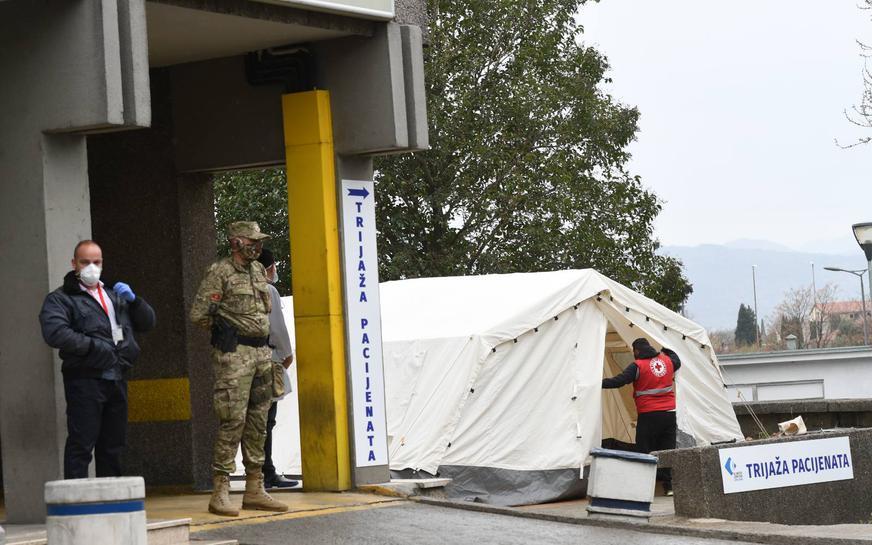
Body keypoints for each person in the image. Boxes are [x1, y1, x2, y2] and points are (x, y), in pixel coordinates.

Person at [190, 221, 288, 517]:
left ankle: (255, 488)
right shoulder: (220, 272)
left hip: (261, 353)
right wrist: (223, 331)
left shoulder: (258, 271)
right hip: (235, 356)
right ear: (235, 242)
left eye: (259, 241)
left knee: (259, 422)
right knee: (233, 421)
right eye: (251, 241)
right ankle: (220, 489)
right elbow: (199, 314)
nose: (257, 246)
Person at [39, 240, 156, 479]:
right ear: (74, 264)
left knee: (113, 445)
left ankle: (109, 503)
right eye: (85, 262)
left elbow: (148, 322)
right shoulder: (61, 298)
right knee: (81, 445)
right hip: (85, 378)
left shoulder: (114, 294)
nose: (91, 267)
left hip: (117, 376)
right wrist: (96, 348)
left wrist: (135, 301)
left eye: (96, 262)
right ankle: (76, 507)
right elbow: (56, 333)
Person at [602, 337, 681, 496]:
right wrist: (665, 349)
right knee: (668, 450)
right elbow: (677, 359)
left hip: (648, 415)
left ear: (636, 351)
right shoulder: (667, 362)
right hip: (669, 414)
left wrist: (598, 382)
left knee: (643, 450)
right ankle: (669, 486)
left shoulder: (638, 366)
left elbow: (619, 381)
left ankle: (644, 487)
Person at [256, 248, 298, 489]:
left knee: (253, 422)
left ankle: (260, 471)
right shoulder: (268, 290)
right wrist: (287, 356)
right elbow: (278, 330)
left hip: (243, 364)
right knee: (266, 421)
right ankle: (267, 471)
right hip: (268, 361)